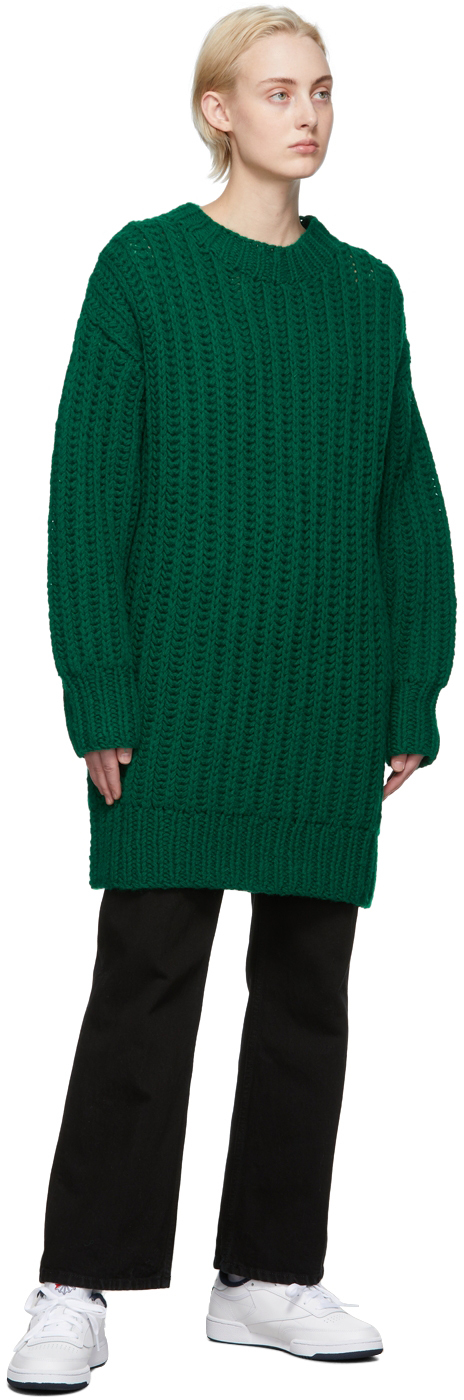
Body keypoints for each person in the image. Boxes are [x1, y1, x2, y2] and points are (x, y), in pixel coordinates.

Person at [7, 5, 457, 1390]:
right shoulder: (143, 270)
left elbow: (404, 496)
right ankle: (75, 1282)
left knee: (307, 995)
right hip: (178, 702)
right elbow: (89, 493)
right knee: (145, 983)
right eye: (276, 92)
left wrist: (413, 685)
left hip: (327, 700)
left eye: (322, 91)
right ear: (218, 111)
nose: (307, 115)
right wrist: (100, 687)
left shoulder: (367, 290)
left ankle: (266, 1275)